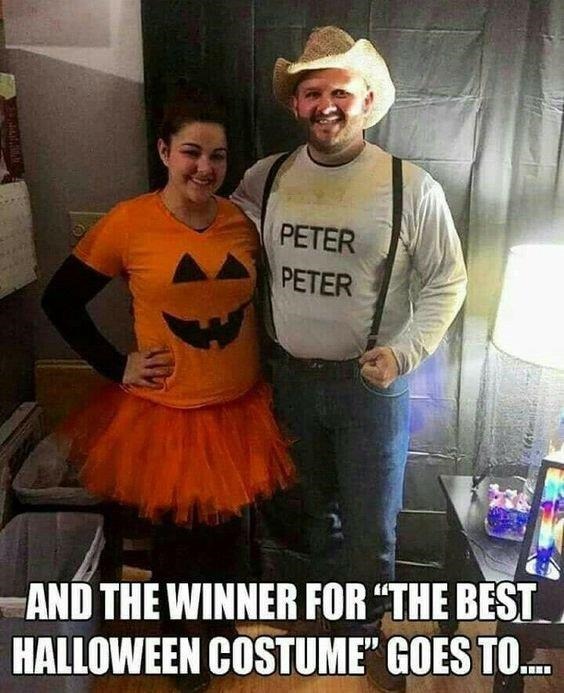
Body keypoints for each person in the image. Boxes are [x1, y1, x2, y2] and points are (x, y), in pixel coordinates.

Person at [232, 26, 467, 691]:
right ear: (296, 103)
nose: (326, 104)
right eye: (313, 92)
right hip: (287, 379)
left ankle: (363, 633)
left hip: (370, 389)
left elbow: (448, 281)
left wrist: (405, 353)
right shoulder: (264, 179)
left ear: (367, 101)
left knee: (371, 525)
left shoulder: (409, 186)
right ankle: (324, 618)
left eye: (341, 91)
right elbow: (220, 237)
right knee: (309, 512)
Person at [42, 83, 294, 692]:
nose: (204, 168)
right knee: (178, 551)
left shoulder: (243, 224)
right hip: (167, 416)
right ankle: (184, 656)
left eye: (217, 156)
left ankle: (219, 639)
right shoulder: (129, 223)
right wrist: (116, 365)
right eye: (191, 152)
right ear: (164, 151)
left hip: (239, 412)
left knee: (229, 542)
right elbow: (61, 301)